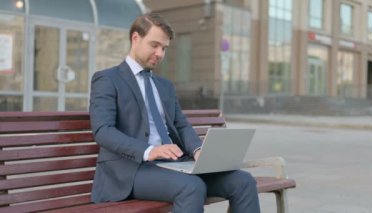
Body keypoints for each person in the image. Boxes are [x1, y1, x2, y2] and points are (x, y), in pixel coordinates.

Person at [89, 13, 261, 213]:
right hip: (131, 171)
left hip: (173, 166)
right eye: (154, 45)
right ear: (135, 38)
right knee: (191, 187)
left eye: (164, 48)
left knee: (243, 181)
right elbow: (103, 130)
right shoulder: (107, 79)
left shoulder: (164, 86)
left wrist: (198, 151)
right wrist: (149, 151)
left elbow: (181, 125)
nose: (160, 53)